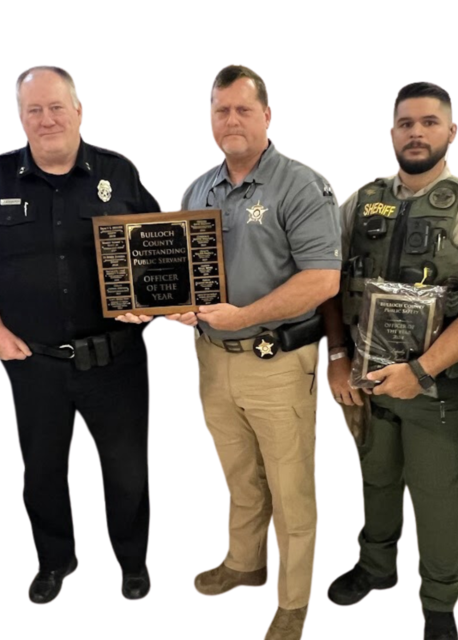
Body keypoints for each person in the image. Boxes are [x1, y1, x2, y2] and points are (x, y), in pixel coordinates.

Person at [0, 66, 159, 604]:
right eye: (33, 110)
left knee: (128, 473)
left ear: (78, 110)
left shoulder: (119, 172)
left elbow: (161, 250)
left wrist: (151, 307)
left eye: (56, 107)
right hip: (34, 364)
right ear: (21, 117)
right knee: (41, 475)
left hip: (116, 361)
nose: (46, 119)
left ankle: (132, 562)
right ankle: (55, 560)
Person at [320, 82, 458, 640]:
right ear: (392, 132)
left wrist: (421, 371)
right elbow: (329, 283)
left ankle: (439, 602)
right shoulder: (362, 200)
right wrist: (337, 356)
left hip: (436, 390)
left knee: (436, 495)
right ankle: (376, 567)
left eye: (430, 122)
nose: (416, 132)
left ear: (450, 132)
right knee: (376, 478)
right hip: (366, 380)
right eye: (406, 123)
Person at [174, 65, 340, 640]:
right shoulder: (198, 190)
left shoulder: (299, 185)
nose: (232, 120)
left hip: (277, 360)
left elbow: (323, 280)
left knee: (290, 487)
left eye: (244, 109)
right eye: (222, 110)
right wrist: (163, 306)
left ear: (267, 115)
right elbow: (188, 281)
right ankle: (245, 562)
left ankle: (293, 602)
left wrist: (243, 316)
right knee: (241, 475)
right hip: (212, 360)